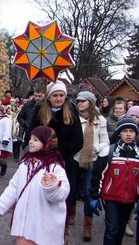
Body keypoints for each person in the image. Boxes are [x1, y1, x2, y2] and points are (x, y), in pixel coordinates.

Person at [26, 80, 83, 243]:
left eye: (61, 95)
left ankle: (60, 233)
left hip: (64, 162)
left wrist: (59, 153)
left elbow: (78, 140)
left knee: (61, 199)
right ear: (49, 97)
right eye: (55, 95)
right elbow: (31, 133)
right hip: (40, 161)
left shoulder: (71, 111)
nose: (58, 99)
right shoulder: (39, 110)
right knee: (39, 196)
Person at [0, 126, 69, 245]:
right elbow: (13, 187)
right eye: (30, 138)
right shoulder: (25, 164)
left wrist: (52, 187)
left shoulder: (55, 167)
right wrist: (0, 206)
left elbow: (62, 193)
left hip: (44, 225)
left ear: (47, 143)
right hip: (24, 224)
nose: (30, 142)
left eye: (36, 140)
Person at [89, 117, 139, 245]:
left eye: (131, 131)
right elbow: (98, 175)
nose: (128, 134)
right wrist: (94, 195)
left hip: (130, 199)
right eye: (125, 131)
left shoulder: (138, 154)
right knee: (112, 230)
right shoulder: (108, 151)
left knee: (120, 230)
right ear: (119, 133)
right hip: (111, 198)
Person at [68, 91, 109, 241]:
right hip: (75, 158)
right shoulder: (73, 119)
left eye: (83, 101)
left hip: (92, 160)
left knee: (88, 190)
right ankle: (71, 212)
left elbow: (105, 141)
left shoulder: (100, 120)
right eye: (78, 101)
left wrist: (96, 148)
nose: (79, 103)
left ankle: (87, 223)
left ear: (90, 103)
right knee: (71, 188)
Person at [0, 105, 13, 178]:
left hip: (2, 141)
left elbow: (7, 130)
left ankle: (4, 166)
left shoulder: (7, 120)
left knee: (1, 159)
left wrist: (5, 140)